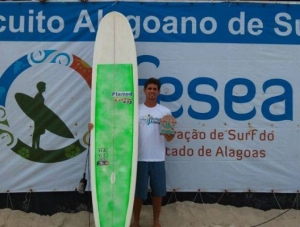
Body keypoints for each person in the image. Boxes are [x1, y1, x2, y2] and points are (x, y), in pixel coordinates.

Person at [132, 77, 175, 227]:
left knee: (158, 193)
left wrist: (169, 133)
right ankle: (135, 221)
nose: (152, 91)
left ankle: (156, 222)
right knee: (138, 194)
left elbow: (169, 138)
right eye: (149, 89)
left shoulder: (165, 111)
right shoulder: (135, 110)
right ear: (144, 91)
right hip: (139, 158)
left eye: (154, 89)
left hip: (157, 158)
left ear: (158, 92)